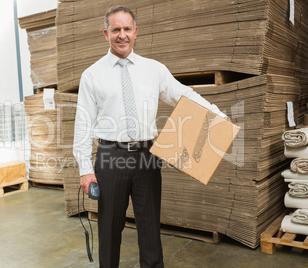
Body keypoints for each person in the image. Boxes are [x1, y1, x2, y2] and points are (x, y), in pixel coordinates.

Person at [73, 5, 229, 268]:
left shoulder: (154, 69)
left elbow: (183, 95)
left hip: (147, 157)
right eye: (115, 30)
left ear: (135, 32)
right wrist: (85, 169)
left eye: (126, 29)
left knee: (149, 228)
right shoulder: (92, 75)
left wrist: (215, 114)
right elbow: (83, 124)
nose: (121, 35)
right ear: (105, 33)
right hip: (111, 158)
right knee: (109, 229)